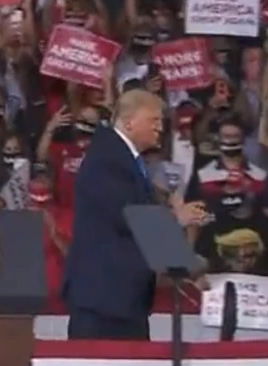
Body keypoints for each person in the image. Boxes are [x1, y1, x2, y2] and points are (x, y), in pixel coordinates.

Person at [63, 90, 206, 340]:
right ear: (129, 122)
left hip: (123, 299)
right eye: (154, 120)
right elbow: (126, 214)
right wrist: (176, 218)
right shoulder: (107, 159)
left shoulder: (124, 158)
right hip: (104, 301)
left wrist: (184, 263)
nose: (161, 127)